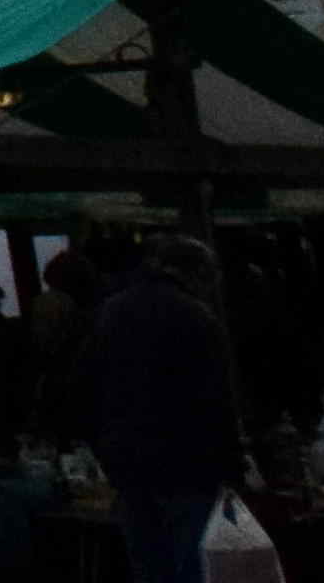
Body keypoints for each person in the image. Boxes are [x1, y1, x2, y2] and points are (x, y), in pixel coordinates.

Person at [83, 233, 242, 583]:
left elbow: (91, 385)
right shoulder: (197, 317)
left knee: (148, 565)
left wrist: (104, 448)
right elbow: (215, 399)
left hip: (126, 461)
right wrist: (233, 466)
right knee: (191, 564)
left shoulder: (112, 310)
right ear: (198, 272)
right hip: (186, 463)